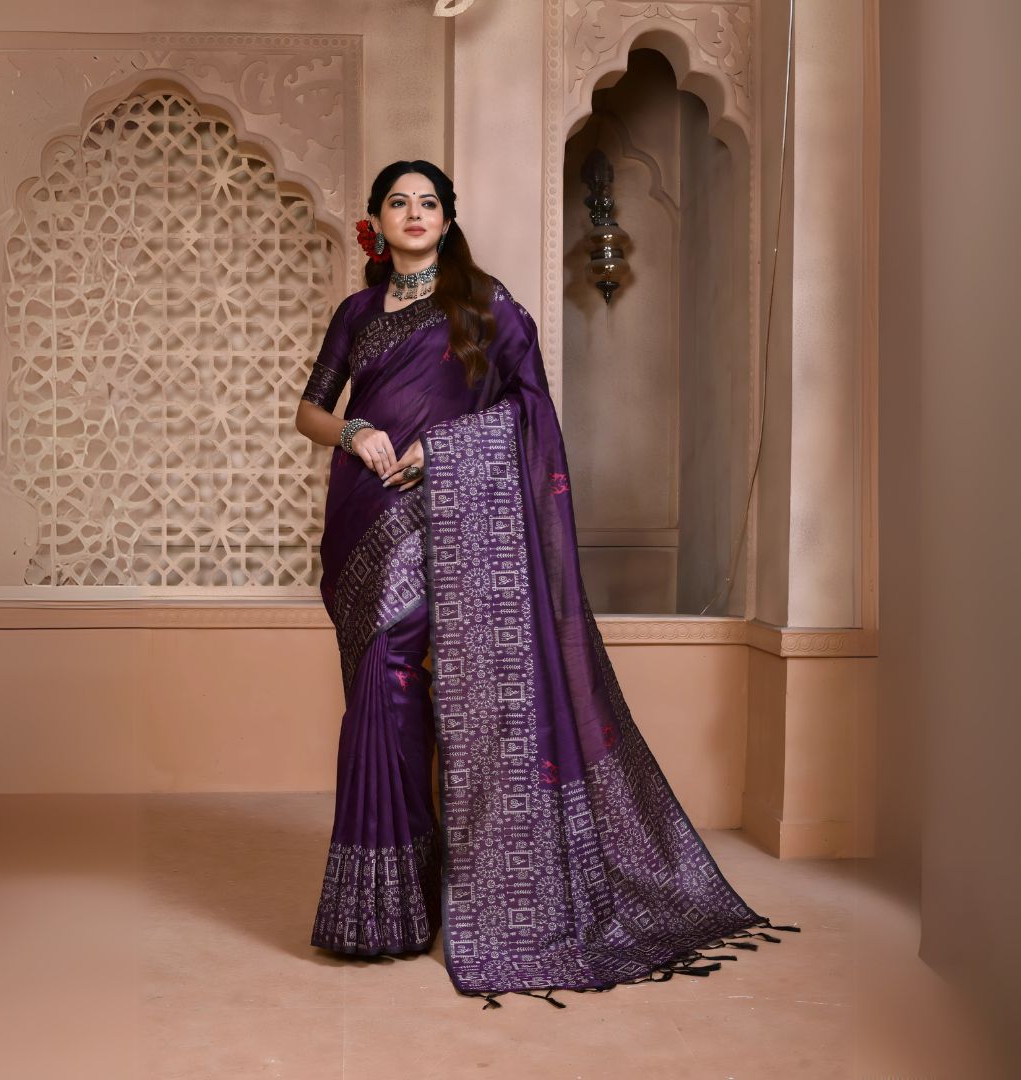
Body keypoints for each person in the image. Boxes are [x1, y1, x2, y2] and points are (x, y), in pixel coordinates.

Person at [295, 160, 795, 1009]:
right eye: (398, 203)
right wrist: (354, 433)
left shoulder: (486, 306)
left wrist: (440, 451)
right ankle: (391, 901)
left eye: (429, 203)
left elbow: (530, 413)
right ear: (375, 222)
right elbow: (309, 408)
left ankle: (416, 899)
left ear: (448, 220)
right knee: (380, 701)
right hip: (361, 525)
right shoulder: (355, 314)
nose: (413, 214)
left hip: (449, 518)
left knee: (410, 690)